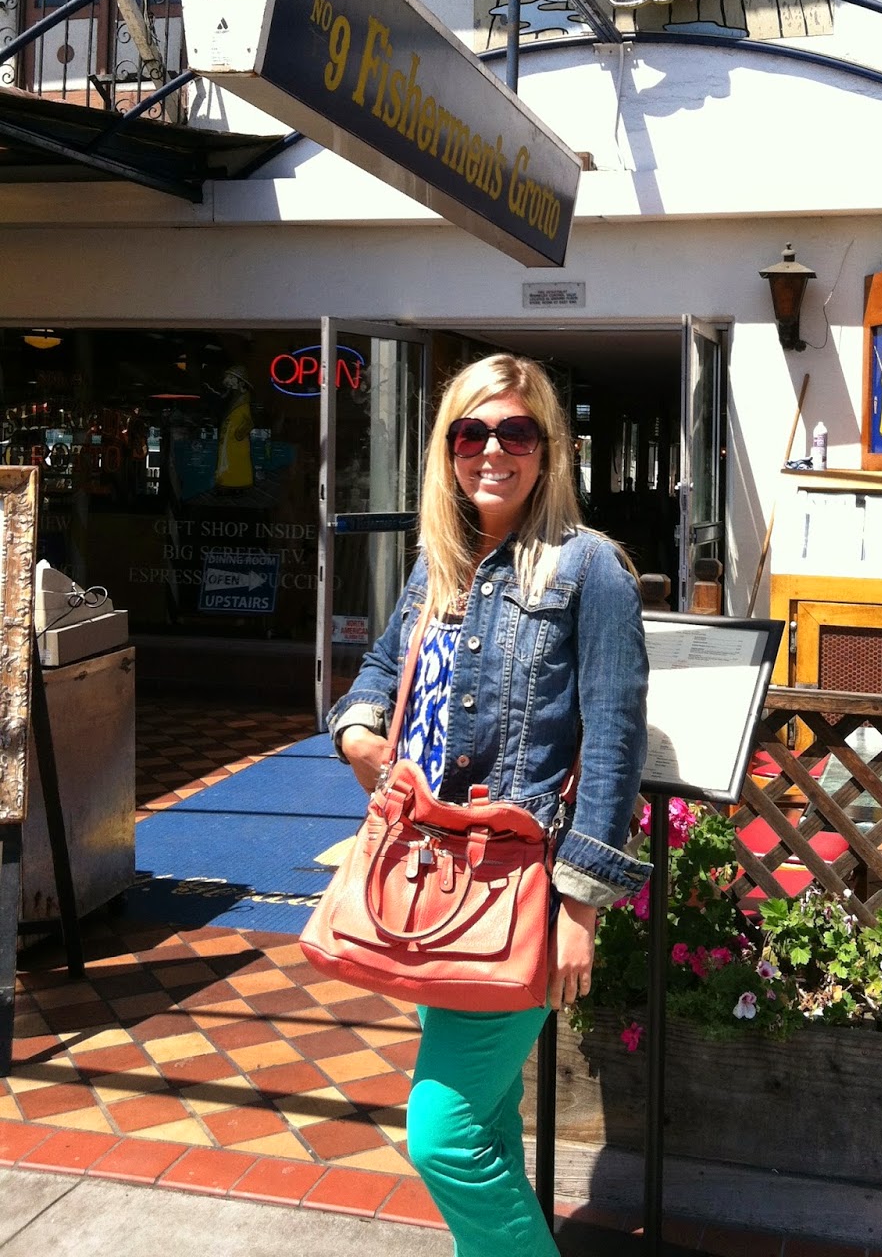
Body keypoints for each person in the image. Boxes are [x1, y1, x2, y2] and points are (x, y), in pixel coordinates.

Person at [325, 353, 650, 1257]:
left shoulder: (590, 569)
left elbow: (614, 743)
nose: (492, 451)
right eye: (471, 432)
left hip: (517, 887)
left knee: (444, 1137)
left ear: (549, 449)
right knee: (490, 1123)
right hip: (428, 880)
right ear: (448, 448)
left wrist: (580, 906)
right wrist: (357, 733)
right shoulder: (441, 560)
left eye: (515, 432)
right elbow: (382, 667)